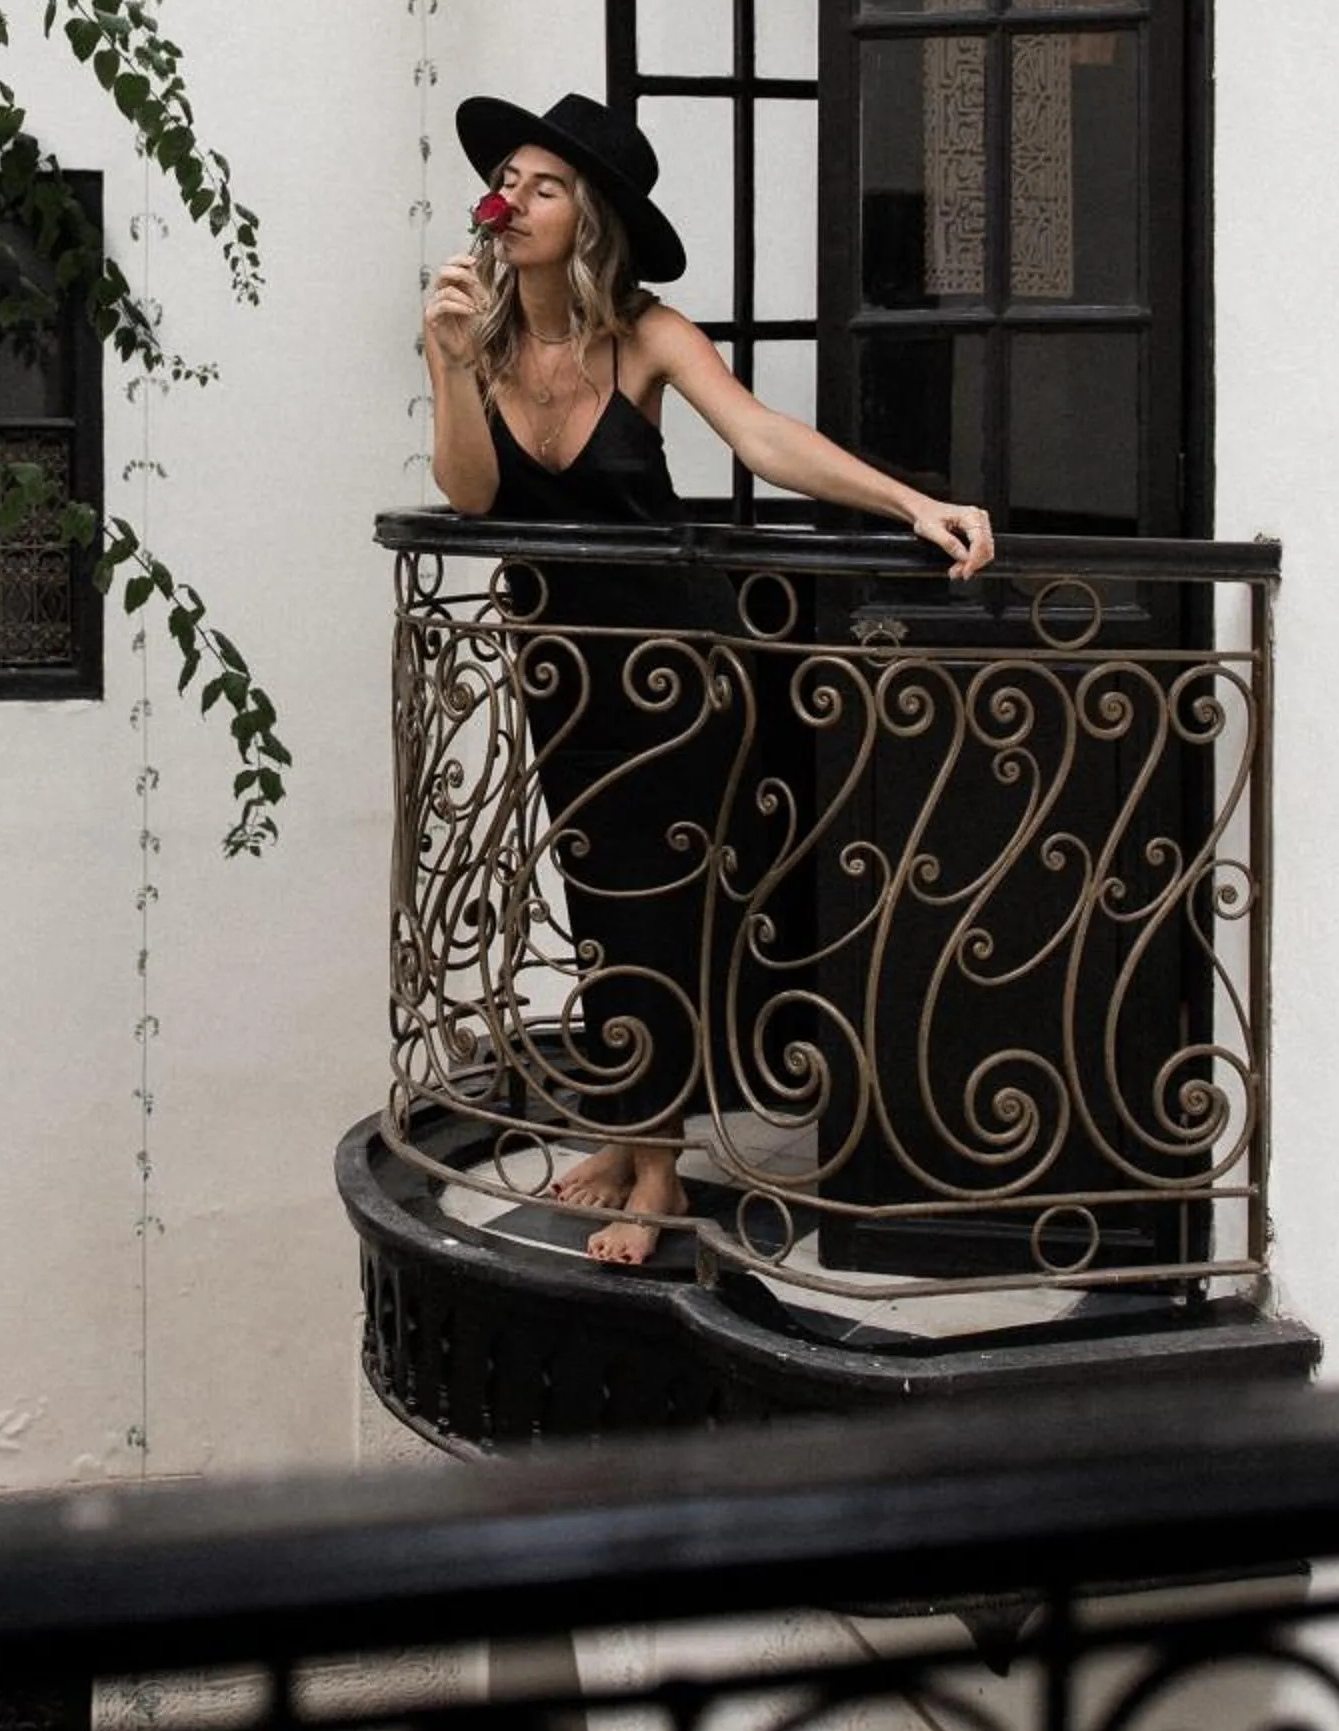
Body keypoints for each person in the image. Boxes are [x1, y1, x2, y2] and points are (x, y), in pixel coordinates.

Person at [421, 90, 994, 1268]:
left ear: (591, 217)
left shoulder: (646, 332)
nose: (514, 200)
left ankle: (660, 1176)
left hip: (678, 670)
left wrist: (910, 500)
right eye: (509, 182)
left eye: (545, 185)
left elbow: (766, 438)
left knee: (670, 907)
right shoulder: (479, 337)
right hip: (563, 672)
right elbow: (474, 495)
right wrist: (441, 358)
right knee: (602, 908)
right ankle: (631, 1137)